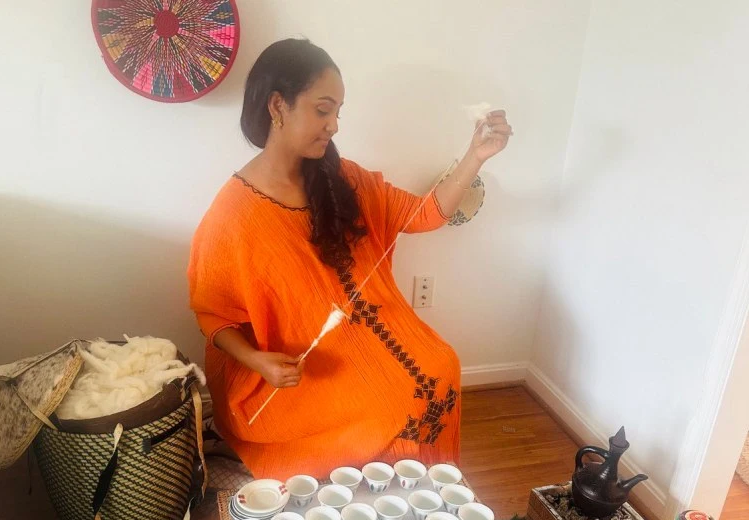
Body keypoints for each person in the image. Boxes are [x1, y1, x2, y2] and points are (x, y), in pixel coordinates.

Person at [189, 38, 512, 480]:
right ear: (278, 106)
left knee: (442, 367)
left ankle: (420, 497)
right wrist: (259, 361)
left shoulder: (342, 179)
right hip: (294, 373)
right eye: (323, 110)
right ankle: (381, 499)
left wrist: (476, 156)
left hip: (372, 336)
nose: (334, 125)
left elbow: (425, 215)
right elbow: (215, 317)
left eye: (338, 112)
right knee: (391, 400)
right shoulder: (233, 213)